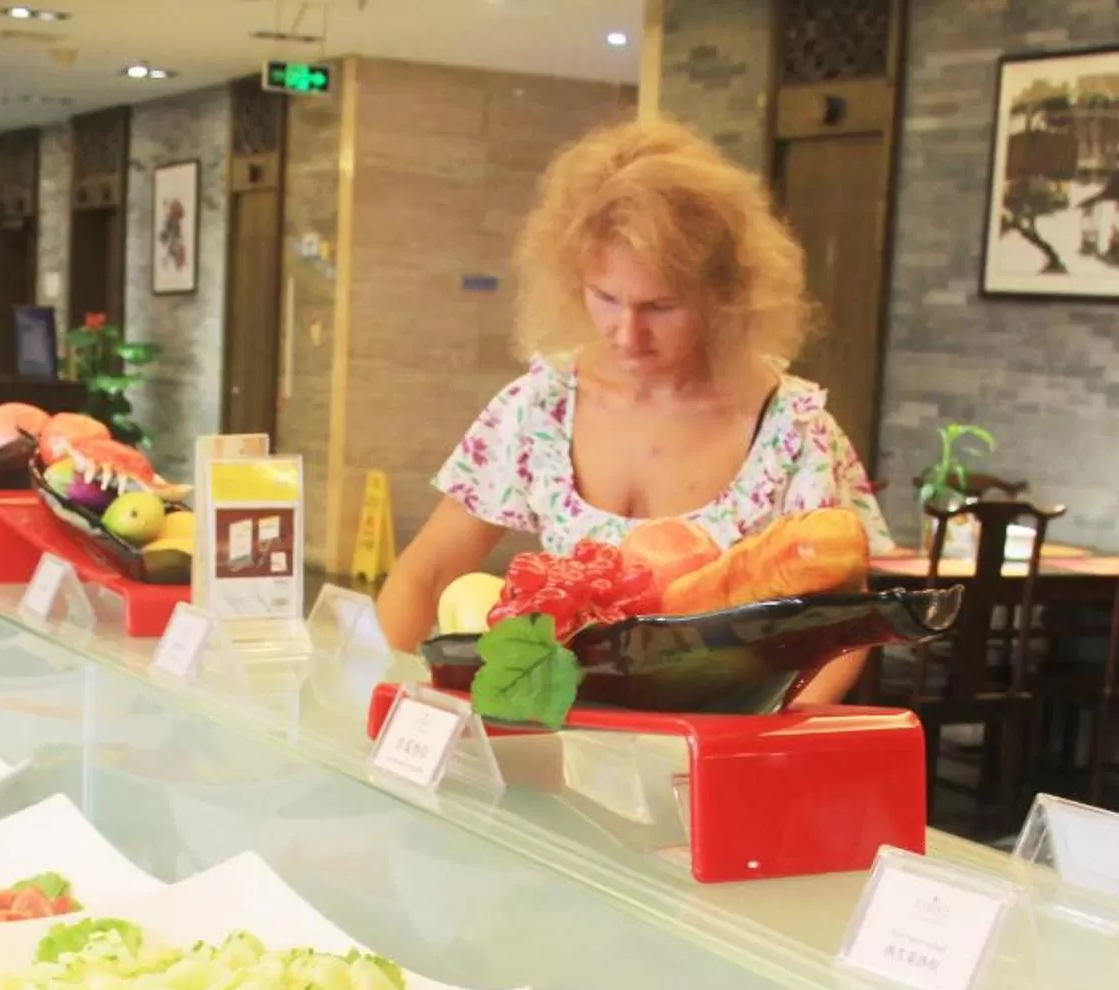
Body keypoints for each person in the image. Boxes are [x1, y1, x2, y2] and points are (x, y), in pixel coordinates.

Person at [380, 118, 894, 705]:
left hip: (727, 743)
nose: (627, 333)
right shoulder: (538, 407)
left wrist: (761, 737)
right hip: (559, 747)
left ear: (723, 294)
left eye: (661, 306)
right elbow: (424, 574)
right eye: (605, 298)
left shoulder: (793, 429)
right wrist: (379, 704)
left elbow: (846, 631)